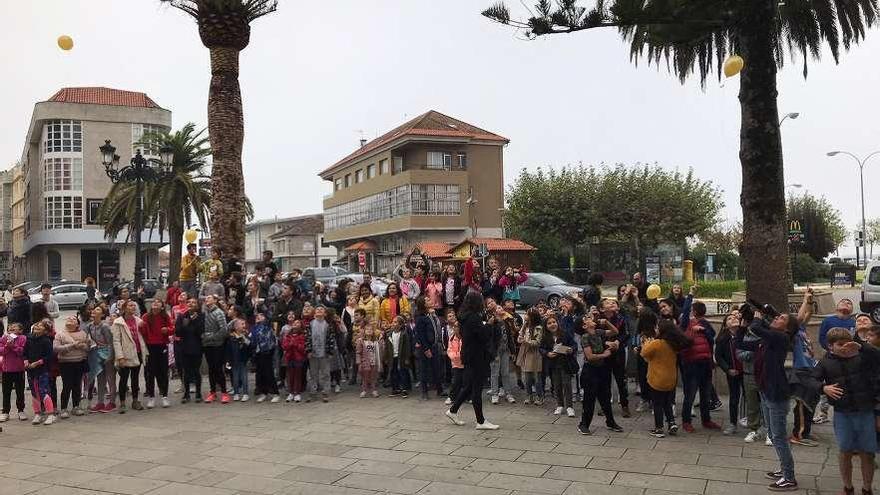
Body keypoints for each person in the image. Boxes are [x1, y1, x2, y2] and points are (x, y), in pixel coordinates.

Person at [736, 305, 800, 491]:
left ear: (787, 328)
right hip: (765, 391)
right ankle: (784, 469)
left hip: (776, 394)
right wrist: (742, 324)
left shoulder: (781, 338)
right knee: (773, 434)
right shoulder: (768, 341)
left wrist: (756, 318)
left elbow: (756, 328)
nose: (776, 318)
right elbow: (740, 343)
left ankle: (789, 478)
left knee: (779, 437)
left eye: (781, 318)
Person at [810, 328, 879, 495]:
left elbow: (878, 357)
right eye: (840, 345)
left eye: (847, 344)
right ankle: (848, 487)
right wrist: (823, 387)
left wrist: (861, 345)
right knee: (845, 450)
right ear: (830, 346)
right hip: (842, 413)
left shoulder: (862, 357)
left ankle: (867, 488)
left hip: (865, 411)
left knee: (867, 452)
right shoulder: (826, 362)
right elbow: (811, 379)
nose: (844, 348)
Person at [444, 291, 499, 430]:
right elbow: (483, 336)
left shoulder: (464, 316)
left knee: (469, 387)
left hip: (468, 354)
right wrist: (489, 324)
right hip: (475, 356)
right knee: (476, 388)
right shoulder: (473, 317)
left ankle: (453, 410)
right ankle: (480, 421)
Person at [641, 318, 690, 438]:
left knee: (657, 404)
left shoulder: (657, 343)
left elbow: (644, 353)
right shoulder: (674, 344)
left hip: (657, 378)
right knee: (667, 402)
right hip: (671, 378)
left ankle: (659, 428)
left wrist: (646, 342)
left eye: (657, 328)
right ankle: (672, 423)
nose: (655, 329)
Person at [578, 315, 624, 435]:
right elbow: (590, 356)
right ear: (584, 326)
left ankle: (610, 422)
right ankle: (584, 424)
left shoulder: (599, 332)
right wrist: (605, 354)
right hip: (590, 371)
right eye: (587, 319)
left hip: (602, 369)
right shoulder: (585, 337)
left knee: (605, 397)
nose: (591, 319)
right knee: (589, 399)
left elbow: (615, 331)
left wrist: (607, 322)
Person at [679, 300, 721, 432]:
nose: (690, 312)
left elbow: (712, 337)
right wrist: (690, 296)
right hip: (691, 363)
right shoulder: (685, 324)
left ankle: (706, 419)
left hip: (705, 362)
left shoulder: (704, 323)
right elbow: (684, 312)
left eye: (692, 310)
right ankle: (686, 421)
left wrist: (703, 330)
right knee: (690, 394)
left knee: (705, 393)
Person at [815, 298, 857, 424]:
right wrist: (831, 351)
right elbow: (822, 338)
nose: (846, 303)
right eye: (843, 301)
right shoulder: (828, 320)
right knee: (826, 384)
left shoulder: (853, 322)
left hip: (849, 357)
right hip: (830, 356)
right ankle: (823, 412)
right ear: (836, 306)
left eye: (850, 303)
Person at [111, 301, 149, 413]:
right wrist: (120, 356)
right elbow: (116, 341)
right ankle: (122, 402)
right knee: (123, 379)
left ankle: (135, 400)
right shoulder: (118, 322)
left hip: (137, 352)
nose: (133, 307)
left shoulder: (139, 321)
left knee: (135, 378)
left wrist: (145, 353)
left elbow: (142, 338)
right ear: (124, 308)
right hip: (125, 354)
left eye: (134, 305)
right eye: (130, 305)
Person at [53, 314, 93, 418]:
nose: (70, 319)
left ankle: (76, 406)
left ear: (77, 324)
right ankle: (64, 408)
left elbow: (88, 347)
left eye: (74, 319)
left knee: (77, 385)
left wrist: (84, 346)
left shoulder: (83, 333)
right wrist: (72, 346)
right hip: (65, 363)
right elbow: (56, 348)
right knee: (67, 385)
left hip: (79, 362)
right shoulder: (60, 334)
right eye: (69, 318)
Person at [541, 314, 577, 417]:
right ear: (546, 326)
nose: (552, 324)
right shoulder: (545, 337)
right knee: (557, 385)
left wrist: (570, 349)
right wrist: (547, 353)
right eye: (549, 323)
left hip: (565, 362)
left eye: (554, 322)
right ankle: (560, 404)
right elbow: (541, 348)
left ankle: (569, 406)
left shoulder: (565, 334)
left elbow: (574, 344)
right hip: (553, 364)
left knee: (567, 384)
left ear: (557, 323)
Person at [715, 312, 744, 435]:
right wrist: (727, 369)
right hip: (733, 372)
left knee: (751, 397)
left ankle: (753, 421)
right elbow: (718, 356)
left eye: (735, 317)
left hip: (746, 371)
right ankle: (733, 423)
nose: (733, 319)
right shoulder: (723, 339)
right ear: (726, 325)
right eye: (729, 319)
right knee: (734, 398)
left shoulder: (744, 334)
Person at [141, 299, 173, 409]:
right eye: (154, 302)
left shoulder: (165, 316)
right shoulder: (145, 317)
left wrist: (167, 330)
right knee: (150, 372)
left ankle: (164, 396)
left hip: (162, 345)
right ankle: (151, 397)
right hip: (150, 347)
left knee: (163, 371)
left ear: (162, 306)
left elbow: (172, 329)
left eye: (159, 302)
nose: (155, 303)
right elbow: (142, 332)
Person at [84, 306, 116, 413]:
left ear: (102, 315)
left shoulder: (105, 327)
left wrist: (110, 356)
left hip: (107, 353)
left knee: (110, 378)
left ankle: (112, 402)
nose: (94, 311)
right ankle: (100, 402)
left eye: (97, 310)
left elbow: (110, 343)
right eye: (93, 310)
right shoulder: (90, 326)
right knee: (100, 379)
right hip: (97, 353)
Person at [24, 321, 56, 425]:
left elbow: (50, 356)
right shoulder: (28, 339)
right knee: (34, 392)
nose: (37, 326)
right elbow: (24, 352)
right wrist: (26, 360)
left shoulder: (46, 341)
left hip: (42, 370)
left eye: (41, 326)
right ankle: (37, 413)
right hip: (31, 370)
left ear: (45, 330)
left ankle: (50, 414)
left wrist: (38, 362)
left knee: (44, 391)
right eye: (36, 325)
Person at [413, 296, 444, 400]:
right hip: (426, 347)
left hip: (434, 345)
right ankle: (424, 392)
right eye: (427, 300)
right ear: (423, 304)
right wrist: (426, 349)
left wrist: (433, 314)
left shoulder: (431, 314)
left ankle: (439, 389)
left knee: (437, 368)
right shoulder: (420, 317)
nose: (430, 301)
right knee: (424, 369)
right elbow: (421, 335)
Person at [175, 297, 204, 403]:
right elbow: (178, 332)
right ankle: (186, 394)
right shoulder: (182, 316)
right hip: (184, 348)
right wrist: (185, 324)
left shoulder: (201, 316)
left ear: (197, 305)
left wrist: (194, 321)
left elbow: (201, 332)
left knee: (196, 371)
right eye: (189, 302)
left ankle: (198, 393)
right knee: (186, 372)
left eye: (193, 302)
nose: (191, 304)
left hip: (197, 348)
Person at [201, 294, 229, 404]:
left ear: (215, 300)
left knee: (218, 368)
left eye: (209, 298)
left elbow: (223, 329)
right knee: (211, 369)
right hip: (207, 345)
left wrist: (212, 337)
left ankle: (224, 392)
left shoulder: (219, 312)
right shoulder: (205, 312)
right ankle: (212, 392)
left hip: (217, 345)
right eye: (206, 298)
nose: (206, 299)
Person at [306, 306, 337, 403]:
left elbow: (331, 339)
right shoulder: (310, 324)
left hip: (324, 353)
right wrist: (308, 350)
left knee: (325, 374)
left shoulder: (328, 325)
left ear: (325, 313)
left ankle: (325, 392)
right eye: (317, 309)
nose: (319, 310)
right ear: (314, 312)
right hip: (313, 353)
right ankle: (313, 392)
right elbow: (307, 338)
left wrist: (330, 352)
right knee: (313, 374)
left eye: (322, 309)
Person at [488, 302, 517, 404]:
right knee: (495, 373)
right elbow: (490, 340)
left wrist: (513, 352)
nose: (500, 309)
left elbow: (510, 338)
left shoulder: (506, 323)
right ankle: (495, 394)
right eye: (498, 308)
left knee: (505, 372)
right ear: (495, 312)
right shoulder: (492, 323)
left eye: (500, 307)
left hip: (505, 350)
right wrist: (493, 353)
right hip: (496, 351)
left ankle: (508, 393)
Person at [0, 322, 28, 422]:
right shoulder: (3, 338)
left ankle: (21, 410)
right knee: (6, 391)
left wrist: (13, 346)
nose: (11, 328)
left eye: (14, 327)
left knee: (20, 391)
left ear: (20, 330)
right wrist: (7, 346)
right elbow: (1, 351)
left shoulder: (23, 338)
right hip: (6, 369)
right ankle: (5, 412)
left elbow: (22, 352)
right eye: (10, 327)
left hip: (19, 369)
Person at [516, 308, 544, 405]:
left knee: (536, 378)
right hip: (526, 353)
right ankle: (529, 395)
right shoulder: (525, 326)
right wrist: (521, 337)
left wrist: (525, 341)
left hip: (535, 354)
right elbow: (519, 338)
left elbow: (537, 342)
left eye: (527, 314)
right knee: (527, 377)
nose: (525, 316)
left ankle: (539, 396)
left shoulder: (538, 328)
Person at [250, 312, 280, 403]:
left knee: (269, 373)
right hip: (257, 353)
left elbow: (270, 317)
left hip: (267, 352)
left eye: (261, 316)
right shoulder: (254, 328)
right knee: (259, 374)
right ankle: (263, 392)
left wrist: (262, 306)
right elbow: (252, 341)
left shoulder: (267, 326)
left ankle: (275, 393)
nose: (258, 317)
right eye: (257, 316)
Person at [281, 319, 307, 402]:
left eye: (298, 322)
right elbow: (284, 346)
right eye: (294, 323)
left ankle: (297, 392)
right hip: (289, 358)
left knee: (298, 376)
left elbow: (303, 348)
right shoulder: (288, 335)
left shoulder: (302, 335)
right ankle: (291, 392)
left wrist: (295, 344)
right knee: (290, 376)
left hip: (298, 358)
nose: (295, 324)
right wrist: (290, 344)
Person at [356, 322, 382, 398]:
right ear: (364, 331)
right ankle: (364, 390)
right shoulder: (361, 341)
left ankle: (373, 390)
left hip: (373, 362)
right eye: (367, 329)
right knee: (365, 377)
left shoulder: (375, 342)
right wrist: (359, 362)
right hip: (365, 363)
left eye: (371, 329)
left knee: (373, 377)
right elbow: (358, 353)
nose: (369, 330)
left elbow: (379, 351)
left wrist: (381, 343)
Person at [228, 317, 251, 402]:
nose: (244, 326)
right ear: (236, 327)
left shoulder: (246, 335)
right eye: (242, 324)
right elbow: (228, 350)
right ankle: (236, 393)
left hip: (243, 359)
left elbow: (250, 345)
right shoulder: (231, 337)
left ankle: (245, 393)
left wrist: (244, 339)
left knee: (244, 376)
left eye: (244, 324)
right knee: (235, 377)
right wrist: (228, 360)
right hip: (234, 360)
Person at [444, 310, 463, 405]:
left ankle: (469, 397)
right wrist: (455, 357)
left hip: (464, 363)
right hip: (456, 363)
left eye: (458, 326)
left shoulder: (464, 338)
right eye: (455, 327)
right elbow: (449, 350)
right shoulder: (452, 339)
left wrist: (460, 355)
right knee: (455, 381)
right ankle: (452, 397)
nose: (456, 328)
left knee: (467, 382)